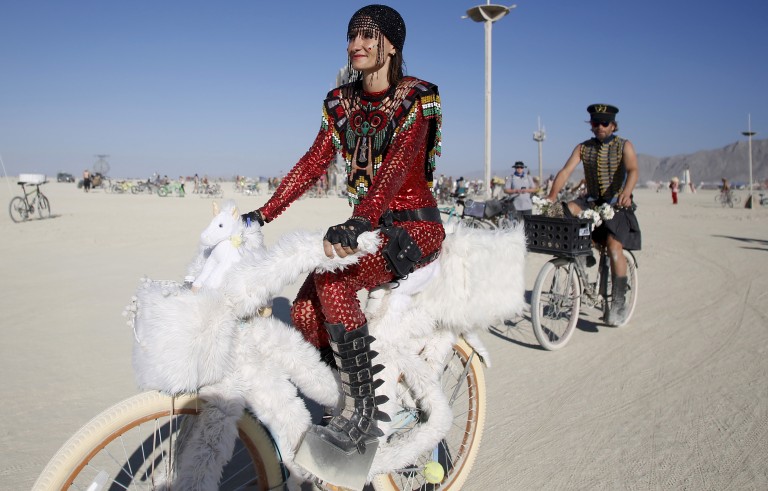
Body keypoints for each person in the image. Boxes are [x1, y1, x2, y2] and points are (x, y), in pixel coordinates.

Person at [241, 4, 444, 466]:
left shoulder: (420, 96)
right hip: (368, 230)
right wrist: (263, 214)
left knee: (334, 281)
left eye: (367, 36)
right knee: (305, 313)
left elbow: (398, 165)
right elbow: (314, 161)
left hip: (413, 227)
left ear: (391, 45)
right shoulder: (339, 101)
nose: (355, 44)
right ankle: (339, 397)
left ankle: (364, 410)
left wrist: (363, 217)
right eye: (351, 36)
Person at [546, 103, 641, 326]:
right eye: (595, 123)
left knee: (614, 248)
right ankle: (582, 251)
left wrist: (626, 193)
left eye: (604, 123)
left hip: (616, 203)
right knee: (562, 210)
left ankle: (618, 302)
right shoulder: (583, 148)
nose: (599, 127)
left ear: (613, 125)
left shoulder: (624, 145)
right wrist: (551, 196)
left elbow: (633, 170)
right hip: (591, 201)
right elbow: (566, 171)